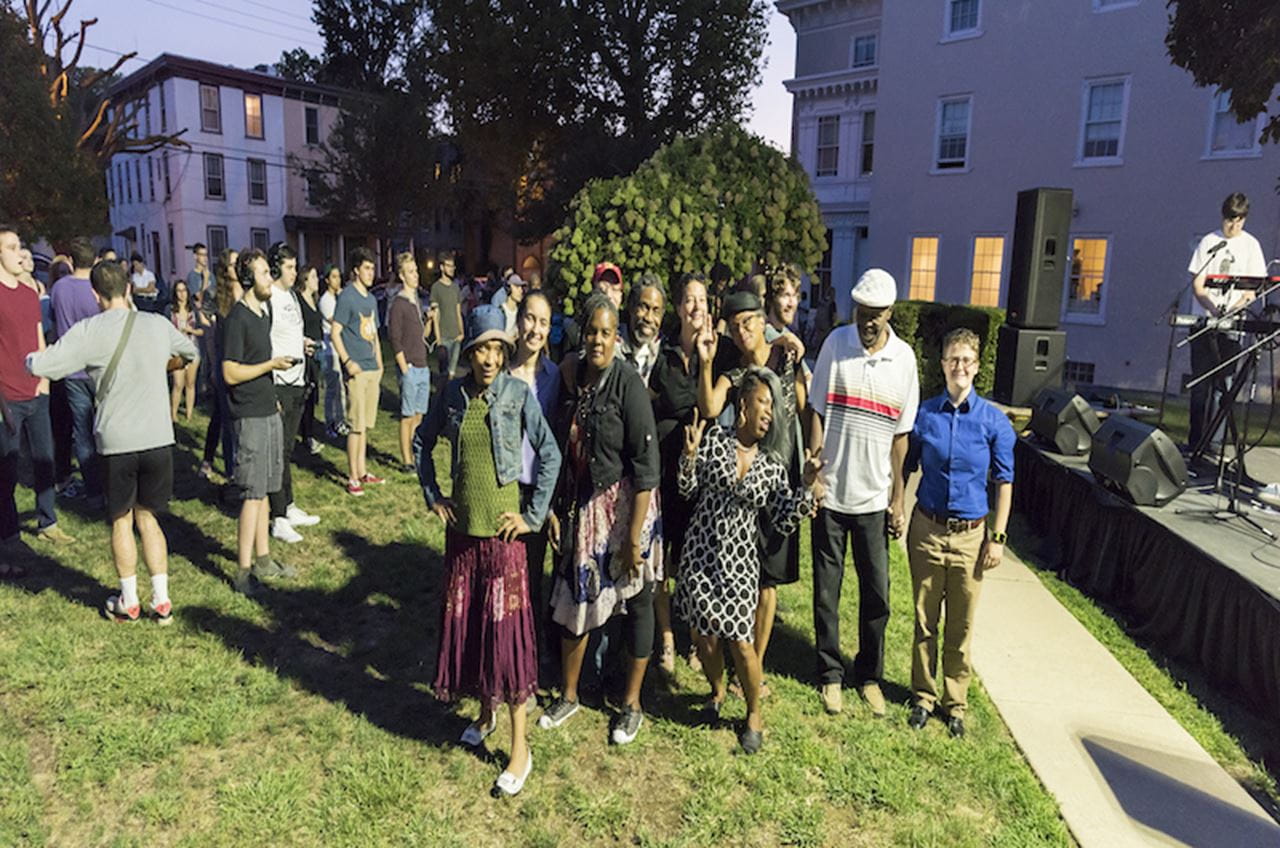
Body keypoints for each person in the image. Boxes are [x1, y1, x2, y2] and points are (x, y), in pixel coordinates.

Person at [414, 304, 562, 797]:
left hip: (503, 542)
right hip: (462, 538)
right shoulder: (451, 395)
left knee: (508, 644)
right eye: (482, 349)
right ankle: (485, 712)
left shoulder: (518, 396)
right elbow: (422, 442)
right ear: (470, 351)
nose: (491, 358)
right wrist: (434, 496)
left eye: (498, 348)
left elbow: (550, 455)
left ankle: (522, 749)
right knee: (475, 628)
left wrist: (533, 515)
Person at [27, 261, 197, 622]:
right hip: (157, 437)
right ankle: (163, 601)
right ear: (129, 288)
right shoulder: (155, 324)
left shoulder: (90, 330)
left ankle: (130, 600)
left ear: (95, 295)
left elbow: (48, 366)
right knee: (149, 518)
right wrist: (164, 365)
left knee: (121, 520)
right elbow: (190, 352)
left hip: (117, 440)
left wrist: (25, 359)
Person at [676, 370, 822, 753]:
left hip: (741, 563)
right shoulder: (714, 441)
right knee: (705, 639)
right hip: (701, 556)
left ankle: (754, 714)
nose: (769, 413)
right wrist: (689, 458)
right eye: (763, 403)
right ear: (743, 406)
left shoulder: (772, 465)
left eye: (773, 407)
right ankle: (718, 691)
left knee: (742, 643)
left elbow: (784, 518)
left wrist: (805, 487)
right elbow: (686, 490)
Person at [540, 294, 662, 746]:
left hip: (630, 510)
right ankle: (570, 694)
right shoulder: (573, 379)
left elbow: (647, 466)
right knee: (575, 597)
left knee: (637, 601)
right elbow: (558, 448)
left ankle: (631, 705)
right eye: (591, 331)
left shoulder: (627, 384)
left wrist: (633, 540)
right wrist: (554, 506)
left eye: (606, 333)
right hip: (583, 506)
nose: (598, 339)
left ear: (617, 338)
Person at [806, 268, 919, 717]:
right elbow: (816, 410)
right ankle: (830, 673)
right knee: (827, 592)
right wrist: (814, 473)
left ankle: (868, 674)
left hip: (874, 499)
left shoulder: (905, 360)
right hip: (832, 492)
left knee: (877, 595)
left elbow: (901, 438)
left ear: (890, 313)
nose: (867, 322)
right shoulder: (836, 344)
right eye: (862, 313)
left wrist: (897, 499)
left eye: (876, 315)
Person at [696, 290, 808, 695]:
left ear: (764, 321)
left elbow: (803, 404)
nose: (743, 332)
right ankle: (741, 661)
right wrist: (706, 362)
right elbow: (710, 407)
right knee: (746, 567)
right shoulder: (736, 370)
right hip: (746, 478)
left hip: (780, 476)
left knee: (768, 578)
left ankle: (753, 668)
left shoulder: (786, 356)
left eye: (750, 322)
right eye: (735, 325)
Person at [905, 328, 1014, 738]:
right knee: (924, 618)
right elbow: (906, 466)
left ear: (977, 367)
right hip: (928, 531)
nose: (960, 367)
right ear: (943, 365)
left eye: (967, 360)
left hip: (971, 537)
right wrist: (895, 504)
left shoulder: (993, 422)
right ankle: (922, 696)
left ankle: (955, 703)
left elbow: (1004, 482)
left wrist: (997, 538)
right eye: (953, 359)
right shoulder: (926, 415)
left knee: (961, 625)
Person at [222, 248, 297, 595]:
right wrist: (270, 366)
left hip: (268, 410)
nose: (271, 278)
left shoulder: (263, 313)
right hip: (248, 415)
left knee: (267, 487)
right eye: (266, 272)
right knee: (252, 495)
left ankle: (264, 560)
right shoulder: (237, 318)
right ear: (250, 278)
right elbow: (230, 372)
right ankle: (242, 572)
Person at [0, 224, 75, 573]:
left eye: (19, 247)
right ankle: (10, 534)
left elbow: (36, 338)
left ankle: (48, 522)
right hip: (7, 397)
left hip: (36, 390)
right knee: (8, 469)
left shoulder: (31, 293)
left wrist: (43, 377)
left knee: (46, 459)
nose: (20, 253)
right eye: (12, 247)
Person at [650, 272, 710, 673]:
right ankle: (667, 636)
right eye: (689, 300)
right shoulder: (663, 354)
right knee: (663, 558)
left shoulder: (715, 354)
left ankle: (694, 635)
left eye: (702, 301)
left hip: (701, 470)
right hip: (665, 466)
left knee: (695, 558)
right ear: (678, 307)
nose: (695, 308)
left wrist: (706, 360)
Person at [506, 290, 562, 677]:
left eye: (543, 322)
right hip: (506, 488)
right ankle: (503, 650)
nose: (535, 329)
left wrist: (550, 503)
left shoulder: (554, 378)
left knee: (533, 578)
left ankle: (532, 653)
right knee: (506, 578)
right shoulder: (501, 374)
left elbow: (554, 440)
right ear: (519, 319)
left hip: (538, 493)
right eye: (530, 319)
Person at [1187, 191, 1268, 453]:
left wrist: (1232, 310)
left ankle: (1215, 442)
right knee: (1200, 385)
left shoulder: (1251, 246)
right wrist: (1212, 307)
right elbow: (1198, 286)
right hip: (1204, 322)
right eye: (1229, 220)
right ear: (1223, 217)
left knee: (1225, 386)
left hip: (1232, 326)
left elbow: (1251, 291)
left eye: (1239, 221)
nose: (1233, 227)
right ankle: (1195, 441)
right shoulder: (1209, 241)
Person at [264, 243, 320, 543]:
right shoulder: (270, 297)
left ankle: (288, 504)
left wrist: (303, 343)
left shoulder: (292, 297)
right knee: (278, 452)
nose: (293, 272)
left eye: (294, 266)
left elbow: (288, 334)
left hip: (297, 380)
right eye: (288, 267)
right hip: (280, 383)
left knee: (287, 451)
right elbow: (267, 340)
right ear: (275, 269)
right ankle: (278, 517)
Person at [50, 236, 105, 510]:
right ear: (94, 260)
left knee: (82, 434)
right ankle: (109, 487)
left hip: (71, 371)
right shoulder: (97, 291)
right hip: (97, 369)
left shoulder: (59, 289)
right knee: (103, 429)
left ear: (70, 261)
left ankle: (94, 492)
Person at [332, 247, 385, 496]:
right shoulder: (347, 297)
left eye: (373, 268)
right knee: (355, 425)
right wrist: (347, 361)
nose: (371, 272)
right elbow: (335, 332)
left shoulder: (371, 299)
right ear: (355, 270)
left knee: (365, 425)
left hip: (372, 367)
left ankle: (363, 471)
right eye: (366, 268)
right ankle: (352, 476)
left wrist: (380, 361)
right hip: (356, 369)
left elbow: (373, 334)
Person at [388, 251, 431, 472]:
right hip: (411, 368)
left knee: (418, 415)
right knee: (407, 416)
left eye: (416, 271)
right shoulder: (399, 304)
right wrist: (404, 368)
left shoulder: (416, 301)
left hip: (423, 366)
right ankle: (406, 460)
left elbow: (423, 335)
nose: (416, 275)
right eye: (411, 272)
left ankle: (415, 454)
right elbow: (394, 338)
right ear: (402, 276)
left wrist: (430, 320)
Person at [200, 249, 240, 480]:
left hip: (242, 361)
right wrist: (213, 360)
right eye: (233, 264)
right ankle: (229, 470)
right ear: (225, 269)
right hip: (223, 360)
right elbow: (205, 320)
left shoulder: (245, 292)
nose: (237, 268)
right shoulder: (216, 294)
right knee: (224, 418)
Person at [294, 264, 324, 456]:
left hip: (316, 353)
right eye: (313, 277)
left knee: (313, 395)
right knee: (304, 395)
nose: (316, 280)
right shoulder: (298, 301)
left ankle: (309, 433)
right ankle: (305, 435)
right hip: (303, 353)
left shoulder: (314, 300)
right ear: (305, 280)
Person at [317, 264, 348, 439]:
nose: (337, 280)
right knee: (332, 389)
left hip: (340, 348)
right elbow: (337, 321)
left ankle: (341, 420)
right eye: (334, 277)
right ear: (327, 280)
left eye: (339, 276)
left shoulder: (339, 298)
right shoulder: (326, 300)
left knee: (341, 388)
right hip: (330, 350)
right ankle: (330, 423)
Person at [166, 279, 202, 421]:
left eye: (184, 290)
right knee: (178, 383)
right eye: (179, 291)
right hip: (176, 351)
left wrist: (190, 329)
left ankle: (189, 414)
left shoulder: (193, 311)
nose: (182, 294)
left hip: (192, 348)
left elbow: (201, 331)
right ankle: (173, 414)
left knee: (190, 383)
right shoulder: (170, 311)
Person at [618, 275, 664, 386]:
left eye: (656, 311)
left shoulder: (663, 352)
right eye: (644, 307)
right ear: (631, 307)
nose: (649, 318)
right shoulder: (613, 346)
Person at [429, 250, 464, 386]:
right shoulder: (436, 288)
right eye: (449, 266)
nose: (452, 269)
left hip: (456, 337)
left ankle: (449, 401)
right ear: (442, 267)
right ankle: (442, 400)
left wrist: (462, 332)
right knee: (443, 374)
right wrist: (438, 339)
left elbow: (458, 311)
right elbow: (435, 315)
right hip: (443, 337)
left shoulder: (455, 288)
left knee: (452, 373)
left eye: (453, 266)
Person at [492, 271, 526, 336]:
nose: (521, 290)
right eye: (517, 287)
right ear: (508, 289)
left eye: (521, 287)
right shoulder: (500, 312)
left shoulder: (521, 311)